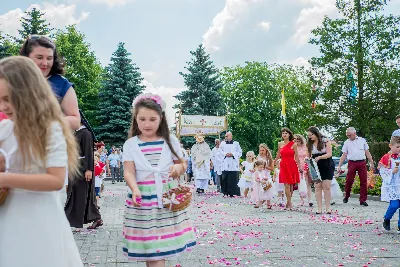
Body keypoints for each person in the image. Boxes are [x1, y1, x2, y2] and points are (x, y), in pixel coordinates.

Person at [0, 56, 83, 266]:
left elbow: (55, 180)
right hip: (8, 217)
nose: (3, 106)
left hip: (39, 220)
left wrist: (5, 177)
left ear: (30, 93)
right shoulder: (4, 130)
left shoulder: (50, 129)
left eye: (9, 98)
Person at [122, 93, 196, 266]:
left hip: (165, 199)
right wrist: (134, 189)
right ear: (136, 119)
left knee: (157, 251)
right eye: (142, 119)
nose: (147, 124)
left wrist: (177, 168)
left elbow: (182, 164)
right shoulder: (131, 144)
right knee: (150, 250)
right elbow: (129, 172)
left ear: (161, 118)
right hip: (143, 201)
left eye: (152, 119)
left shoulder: (169, 141)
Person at [20, 35, 80, 130]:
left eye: (49, 58)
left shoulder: (62, 84)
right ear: (26, 57)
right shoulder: (13, 80)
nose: (45, 63)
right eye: (39, 57)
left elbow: (75, 121)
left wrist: (46, 123)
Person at [64, 120, 102, 230]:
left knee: (81, 195)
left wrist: (89, 169)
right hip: (76, 168)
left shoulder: (85, 133)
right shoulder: (76, 133)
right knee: (77, 194)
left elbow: (89, 152)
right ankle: (96, 218)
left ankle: (75, 221)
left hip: (82, 168)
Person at [338, 127, 374, 206]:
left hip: (362, 162)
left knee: (363, 181)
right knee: (349, 180)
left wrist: (371, 162)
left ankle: (363, 200)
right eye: (347, 135)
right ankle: (346, 196)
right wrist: (339, 165)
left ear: (354, 133)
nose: (348, 137)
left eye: (349, 135)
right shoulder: (346, 142)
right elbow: (344, 154)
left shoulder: (362, 140)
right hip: (352, 162)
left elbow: (367, 152)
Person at [306, 126, 335, 214]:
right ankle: (319, 208)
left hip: (326, 164)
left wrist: (320, 157)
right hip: (315, 165)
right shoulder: (309, 144)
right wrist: (307, 159)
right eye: (308, 136)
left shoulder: (325, 140)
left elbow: (329, 154)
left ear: (316, 133)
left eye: (311, 135)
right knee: (317, 187)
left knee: (326, 187)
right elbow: (308, 155)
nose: (310, 137)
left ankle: (328, 208)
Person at [275, 128, 300, 210]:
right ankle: (290, 203)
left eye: (286, 133)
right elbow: (278, 155)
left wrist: (299, 166)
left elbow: (296, 156)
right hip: (283, 165)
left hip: (292, 164)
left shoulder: (294, 144)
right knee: (286, 185)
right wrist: (274, 162)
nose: (284, 134)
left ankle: (288, 202)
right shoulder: (280, 144)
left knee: (291, 185)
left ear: (289, 134)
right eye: (283, 133)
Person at [379, 136, 400, 233]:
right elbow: (382, 171)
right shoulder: (386, 158)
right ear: (390, 146)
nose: (399, 149)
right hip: (392, 185)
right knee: (394, 205)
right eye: (398, 147)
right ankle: (387, 218)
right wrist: (392, 171)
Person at [218, 132, 243, 197]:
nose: (225, 137)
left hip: (233, 163)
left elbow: (240, 152)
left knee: (233, 178)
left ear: (231, 136)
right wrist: (225, 154)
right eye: (225, 136)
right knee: (224, 178)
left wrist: (233, 154)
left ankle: (233, 192)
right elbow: (219, 152)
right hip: (225, 162)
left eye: (227, 136)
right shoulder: (222, 143)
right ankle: (225, 192)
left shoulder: (236, 143)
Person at [294, 134, 313, 206]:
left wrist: (306, 165)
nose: (297, 142)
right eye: (295, 140)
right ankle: (302, 200)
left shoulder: (306, 147)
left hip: (306, 165)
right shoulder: (294, 148)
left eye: (298, 140)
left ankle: (310, 199)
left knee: (307, 182)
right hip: (298, 166)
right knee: (300, 183)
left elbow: (309, 156)